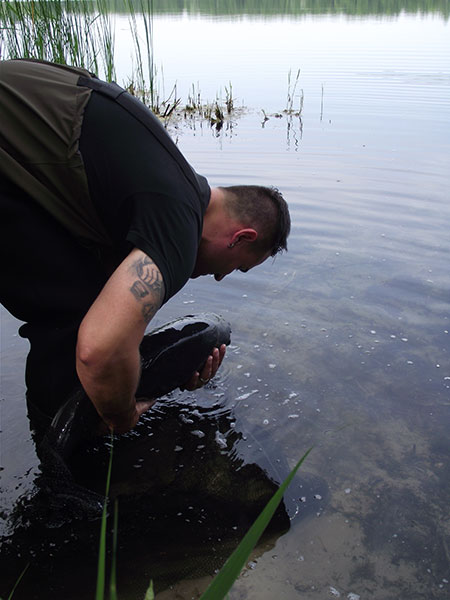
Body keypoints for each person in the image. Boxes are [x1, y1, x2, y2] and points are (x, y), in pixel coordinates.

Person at [0, 59, 290, 435]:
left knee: (80, 308)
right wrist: (122, 416)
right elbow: (99, 350)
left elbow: (112, 323)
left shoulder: (167, 183)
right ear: (241, 237)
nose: (220, 277)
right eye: (236, 266)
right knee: (71, 323)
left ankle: (54, 438)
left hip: (21, 159)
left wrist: (167, 374)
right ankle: (60, 455)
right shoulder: (180, 226)